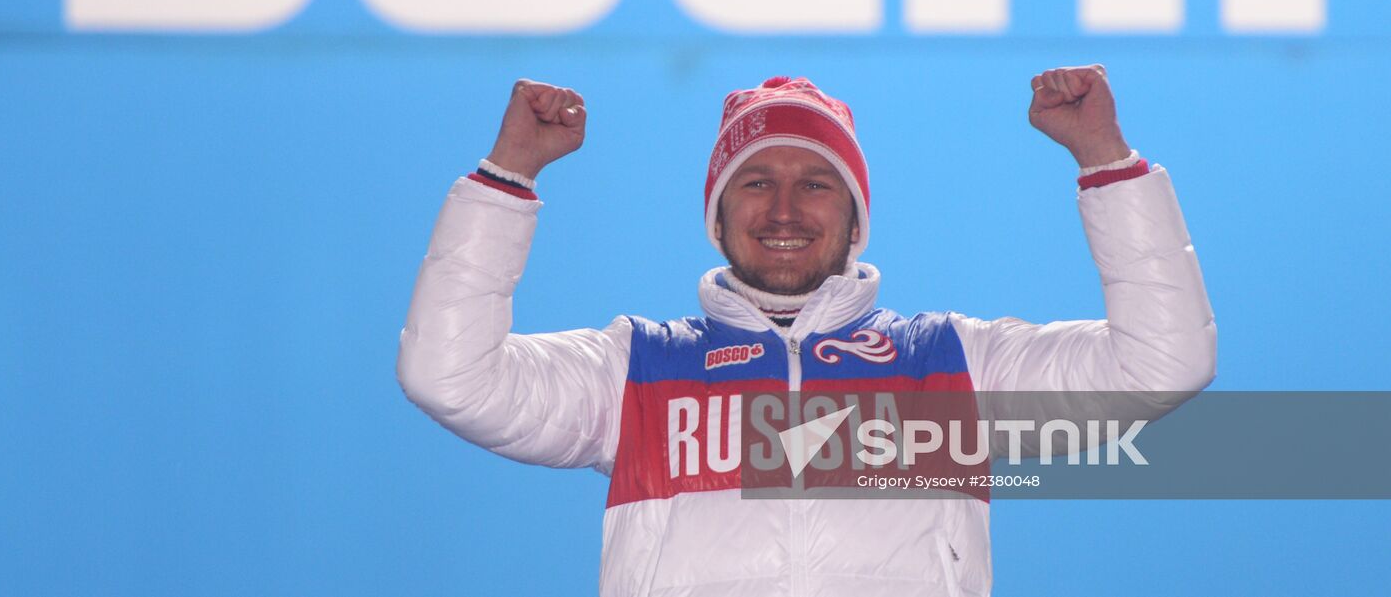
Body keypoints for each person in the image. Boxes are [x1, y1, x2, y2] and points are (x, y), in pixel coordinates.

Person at [396, 69, 1216, 597]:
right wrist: (506, 178)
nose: (784, 209)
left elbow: (1161, 361)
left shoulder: (950, 364)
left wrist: (1107, 161)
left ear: (856, 217)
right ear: (715, 216)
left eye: (816, 183)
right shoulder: (635, 368)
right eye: (756, 181)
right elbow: (450, 374)